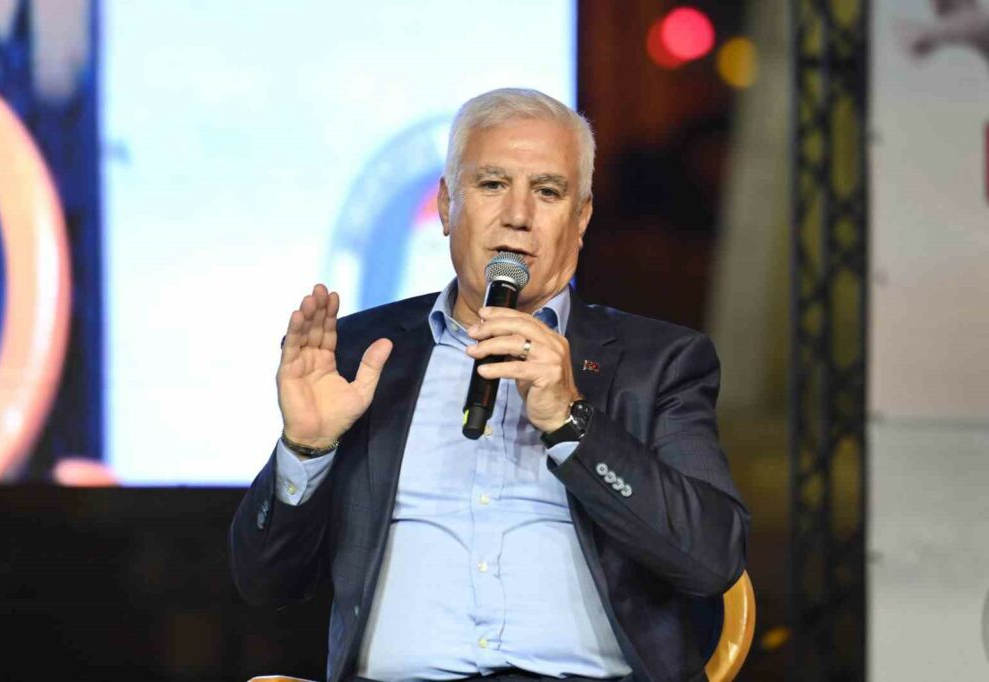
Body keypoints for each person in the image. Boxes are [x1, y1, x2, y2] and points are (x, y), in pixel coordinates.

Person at [230, 88, 749, 682]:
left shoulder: (656, 363)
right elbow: (265, 584)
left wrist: (573, 423)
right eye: (493, 184)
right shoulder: (362, 355)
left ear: (581, 218)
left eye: (547, 192)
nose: (518, 215)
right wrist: (306, 450)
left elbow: (712, 560)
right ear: (447, 206)